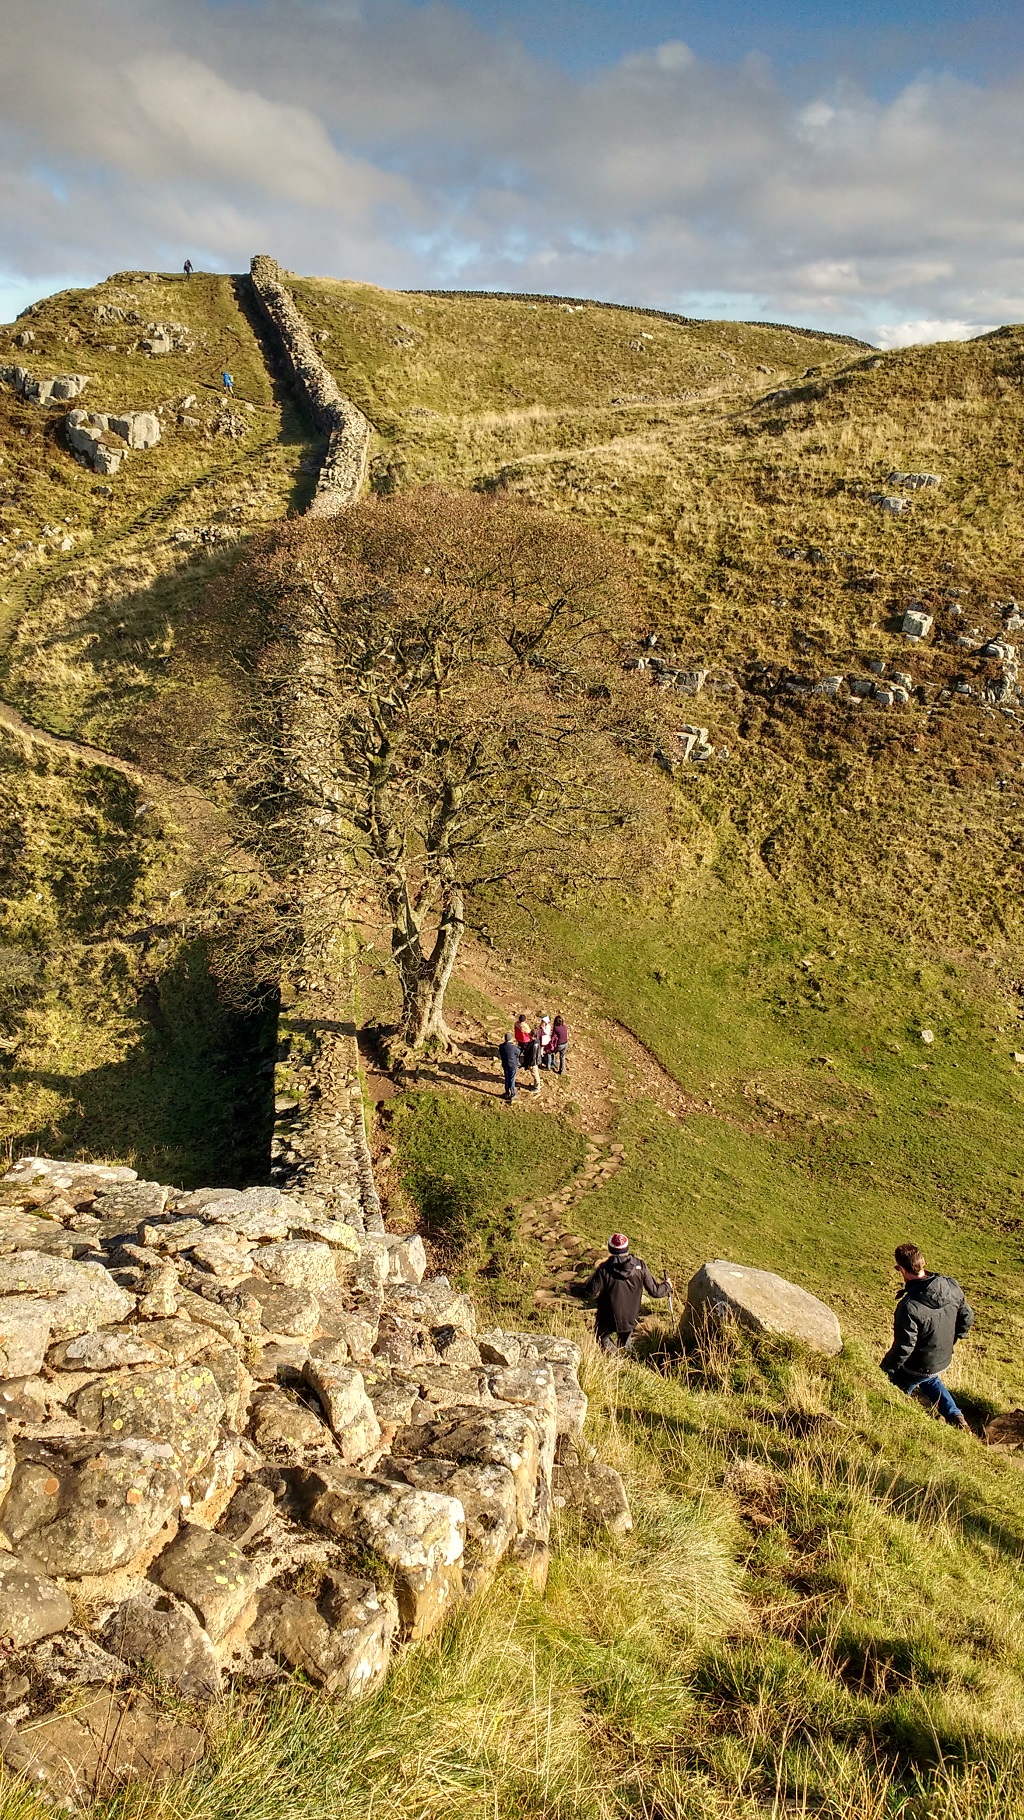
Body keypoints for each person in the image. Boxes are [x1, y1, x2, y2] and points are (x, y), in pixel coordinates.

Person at [880, 1242, 975, 1433]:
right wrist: (955, 1338)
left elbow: (904, 1347)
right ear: (924, 1263)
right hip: (943, 1357)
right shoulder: (951, 1285)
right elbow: (967, 1316)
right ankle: (955, 1416)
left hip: (919, 1364)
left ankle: (892, 1423)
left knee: (895, 1389)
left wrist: (885, 1369)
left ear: (901, 1269)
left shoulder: (909, 1306)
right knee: (930, 1379)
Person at [572, 1233, 672, 1354]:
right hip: (631, 1316)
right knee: (625, 1342)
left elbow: (588, 1292)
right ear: (627, 1248)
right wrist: (667, 1285)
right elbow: (656, 1292)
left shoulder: (604, 1269)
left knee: (602, 1337)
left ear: (610, 1248)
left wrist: (571, 1289)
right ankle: (628, 1361)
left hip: (607, 1317)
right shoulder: (640, 1266)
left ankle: (615, 1359)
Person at [497, 1031, 520, 1104]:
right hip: (512, 1064)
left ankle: (507, 1092)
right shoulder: (513, 1047)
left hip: (505, 1064)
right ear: (511, 1039)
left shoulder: (501, 1046)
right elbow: (518, 1052)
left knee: (507, 1078)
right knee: (512, 1079)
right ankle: (512, 1093)